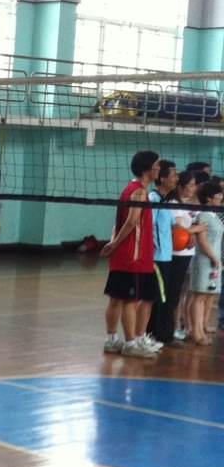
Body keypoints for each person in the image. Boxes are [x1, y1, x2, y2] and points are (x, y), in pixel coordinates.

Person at [101, 151, 161, 359]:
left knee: (116, 299)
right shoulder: (139, 193)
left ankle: (112, 340)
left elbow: (118, 222)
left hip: (124, 255)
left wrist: (113, 243)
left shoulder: (129, 189)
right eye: (156, 165)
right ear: (147, 169)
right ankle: (130, 344)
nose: (159, 169)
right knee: (130, 300)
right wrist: (115, 244)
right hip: (133, 256)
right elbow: (131, 222)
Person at [169, 170, 206, 344]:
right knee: (176, 293)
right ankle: (174, 327)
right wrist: (194, 230)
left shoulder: (189, 204)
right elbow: (177, 229)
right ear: (181, 186)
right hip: (177, 254)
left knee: (185, 293)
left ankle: (183, 326)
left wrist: (192, 231)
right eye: (191, 185)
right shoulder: (174, 204)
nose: (194, 188)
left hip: (189, 253)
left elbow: (192, 225)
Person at [186, 178, 224, 345]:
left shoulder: (214, 215)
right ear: (208, 198)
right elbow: (202, 242)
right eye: (218, 196)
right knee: (199, 296)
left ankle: (200, 329)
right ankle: (196, 332)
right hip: (204, 260)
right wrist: (215, 258)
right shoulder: (203, 216)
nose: (220, 198)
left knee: (207, 295)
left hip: (214, 261)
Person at [148, 159, 179, 345]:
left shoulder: (167, 201)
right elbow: (147, 227)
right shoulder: (153, 199)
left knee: (165, 296)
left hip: (168, 257)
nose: (177, 178)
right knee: (158, 297)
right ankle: (154, 334)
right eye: (173, 175)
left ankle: (162, 334)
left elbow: (172, 226)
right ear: (162, 178)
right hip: (156, 258)